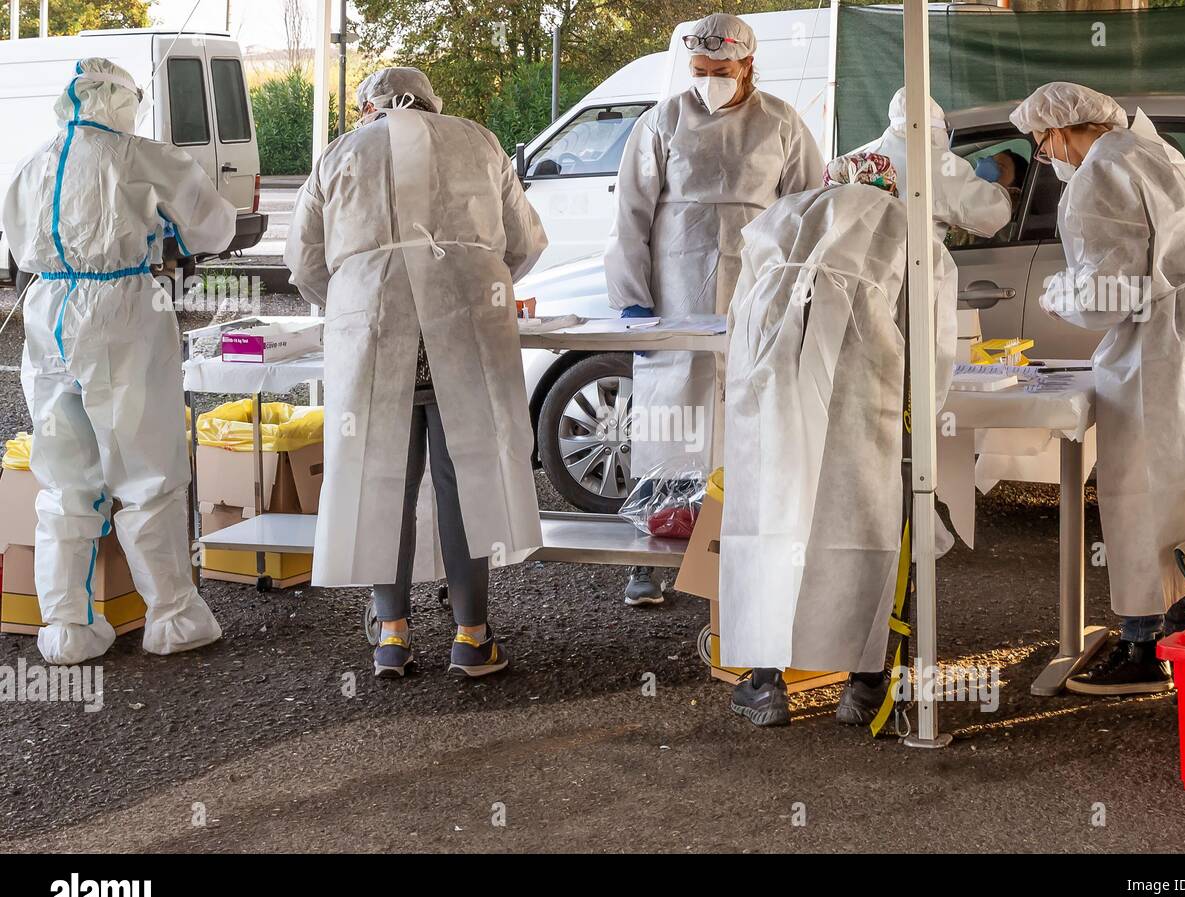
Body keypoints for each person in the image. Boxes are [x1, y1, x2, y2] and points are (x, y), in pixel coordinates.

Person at [1009, 82, 1185, 695]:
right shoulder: (1153, 150)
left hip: (1159, 351)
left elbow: (1110, 291)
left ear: (1061, 129)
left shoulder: (1099, 176)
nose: (1045, 152)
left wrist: (1060, 296)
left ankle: (1144, 643)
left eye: (1042, 140)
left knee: (1142, 493)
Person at [285, 67, 548, 679]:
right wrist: (471, 275)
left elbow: (304, 263)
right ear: (433, 104)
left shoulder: (341, 154)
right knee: (467, 484)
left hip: (376, 336)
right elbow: (525, 242)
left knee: (382, 483)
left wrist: (357, 296)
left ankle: (393, 637)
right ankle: (471, 636)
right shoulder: (477, 141)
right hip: (464, 333)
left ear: (367, 110)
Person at [1, 58, 234, 665]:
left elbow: (17, 239)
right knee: (147, 469)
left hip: (46, 311)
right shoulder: (140, 157)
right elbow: (212, 228)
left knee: (63, 478)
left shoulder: (34, 163)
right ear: (122, 101)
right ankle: (173, 617)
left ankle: (67, 629)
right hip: (124, 310)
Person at [723, 152, 959, 727]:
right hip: (860, 390)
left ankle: (764, 683)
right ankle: (866, 684)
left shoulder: (778, 218)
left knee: (772, 517)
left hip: (771, 393)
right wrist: (924, 408)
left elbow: (738, 316)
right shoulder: (908, 227)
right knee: (861, 522)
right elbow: (931, 343)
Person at [605, 12, 823, 607]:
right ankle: (648, 558)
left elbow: (808, 210)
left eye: (722, 71)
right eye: (700, 71)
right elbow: (630, 214)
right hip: (675, 287)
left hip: (756, 283)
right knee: (669, 411)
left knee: (748, 407)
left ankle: (736, 544)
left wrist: (801, 296)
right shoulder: (662, 122)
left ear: (748, 64)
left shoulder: (781, 122)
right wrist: (632, 300)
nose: (710, 81)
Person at [830, 87, 1012, 241]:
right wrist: (1002, 189)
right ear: (936, 128)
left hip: (845, 274)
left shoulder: (856, 157)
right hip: (908, 276)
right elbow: (995, 215)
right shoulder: (940, 164)